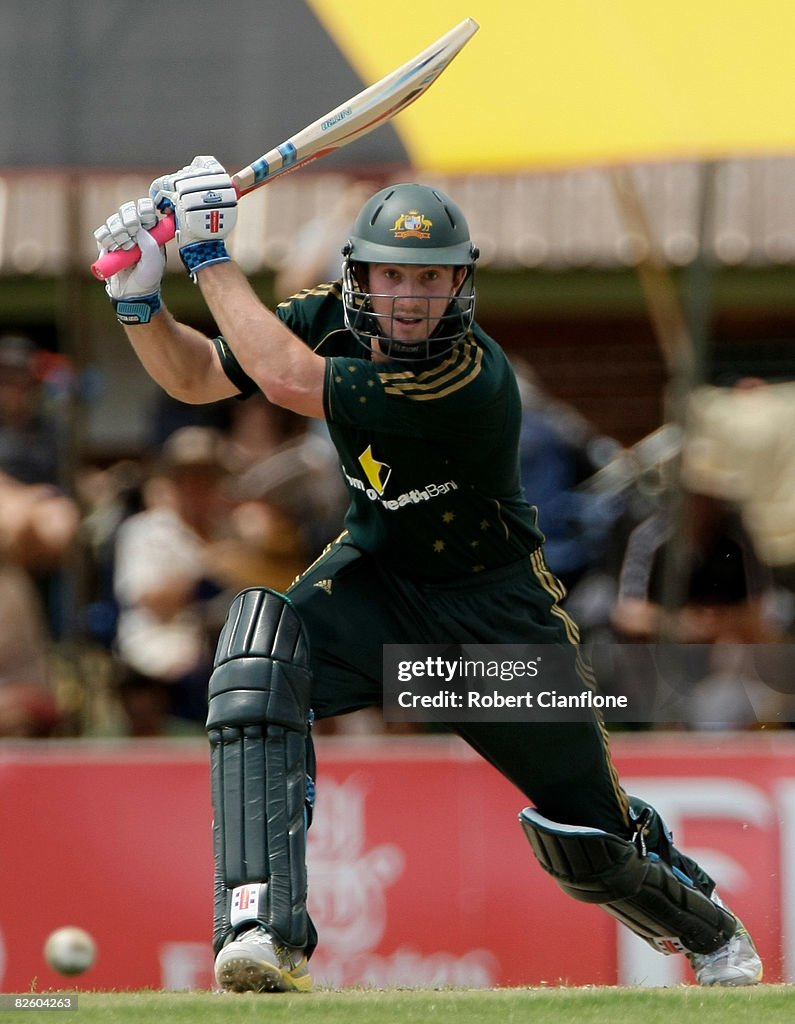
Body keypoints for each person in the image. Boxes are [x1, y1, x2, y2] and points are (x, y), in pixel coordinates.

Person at [94, 158, 762, 993]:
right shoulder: (328, 317)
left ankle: (713, 934)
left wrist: (208, 259)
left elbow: (288, 381)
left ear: (459, 286)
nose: (411, 295)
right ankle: (260, 926)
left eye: (432, 277)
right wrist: (137, 298)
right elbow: (195, 376)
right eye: (394, 273)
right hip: (378, 583)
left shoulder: (467, 374)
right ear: (361, 274)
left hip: (489, 619)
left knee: (588, 844)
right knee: (259, 656)